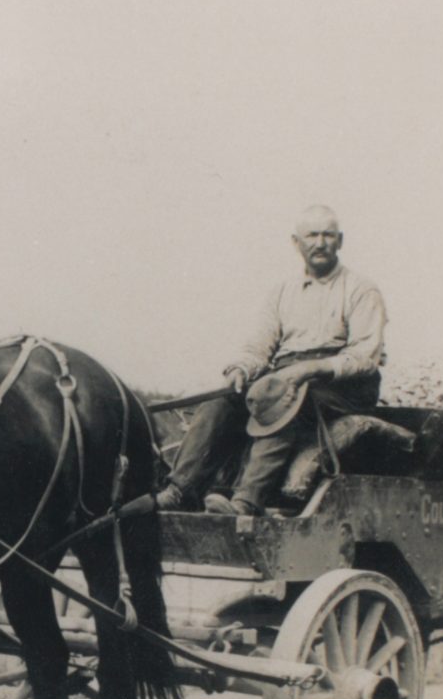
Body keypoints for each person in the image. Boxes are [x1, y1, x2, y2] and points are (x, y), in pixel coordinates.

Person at [156, 205, 387, 516]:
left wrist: (310, 369)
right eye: (312, 235)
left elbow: (364, 357)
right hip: (286, 374)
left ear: (340, 241)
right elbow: (259, 345)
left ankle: (245, 502)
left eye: (328, 235)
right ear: (296, 242)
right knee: (221, 401)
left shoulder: (361, 290)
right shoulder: (282, 292)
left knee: (279, 400)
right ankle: (181, 490)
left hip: (343, 385)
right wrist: (240, 369)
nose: (320, 243)